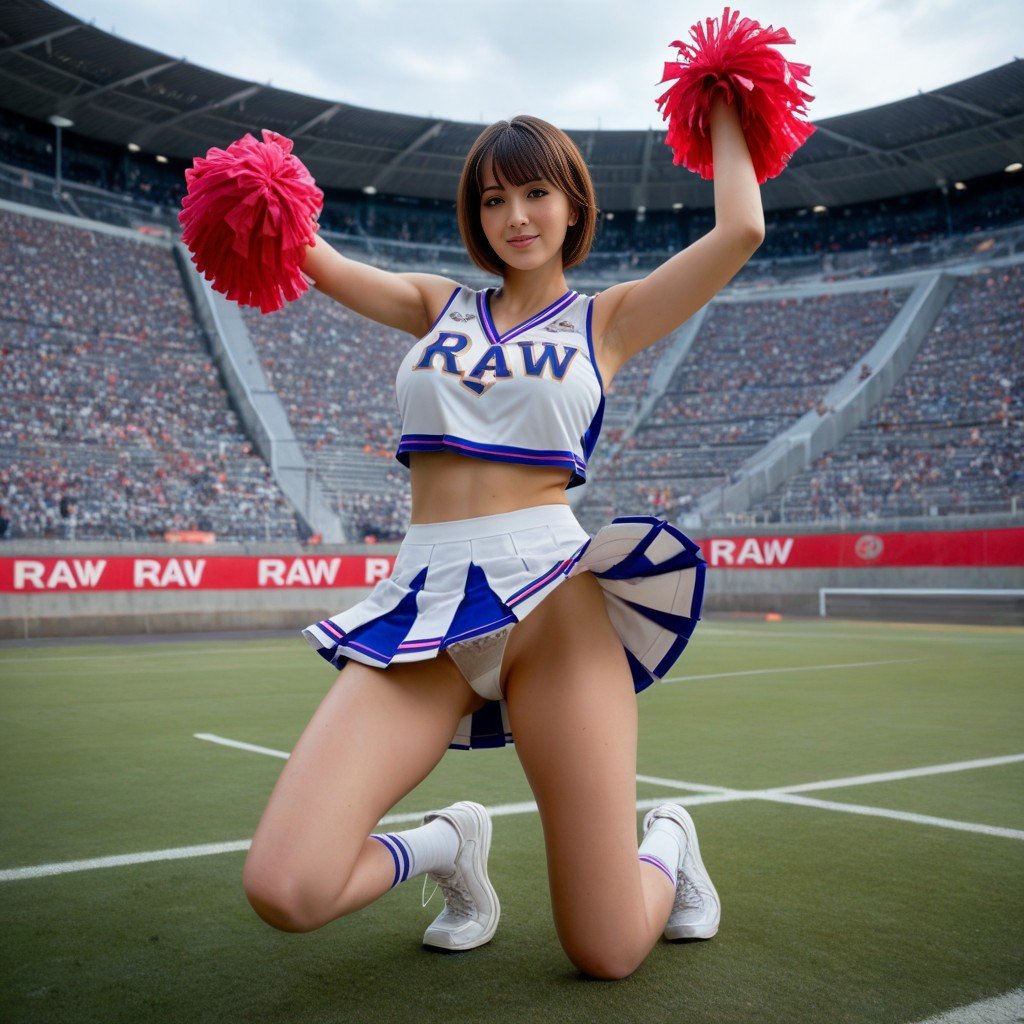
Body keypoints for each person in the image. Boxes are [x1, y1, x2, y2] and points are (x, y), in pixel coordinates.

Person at [240, 95, 764, 979]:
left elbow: (741, 228)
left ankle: (669, 842)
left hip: (555, 604)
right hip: (426, 607)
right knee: (286, 887)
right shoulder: (434, 304)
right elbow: (305, 252)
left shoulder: (610, 320)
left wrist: (723, 104)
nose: (514, 216)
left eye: (533, 193)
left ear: (572, 206)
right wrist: (250, 182)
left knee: (605, 950)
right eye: (491, 200)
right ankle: (446, 845)